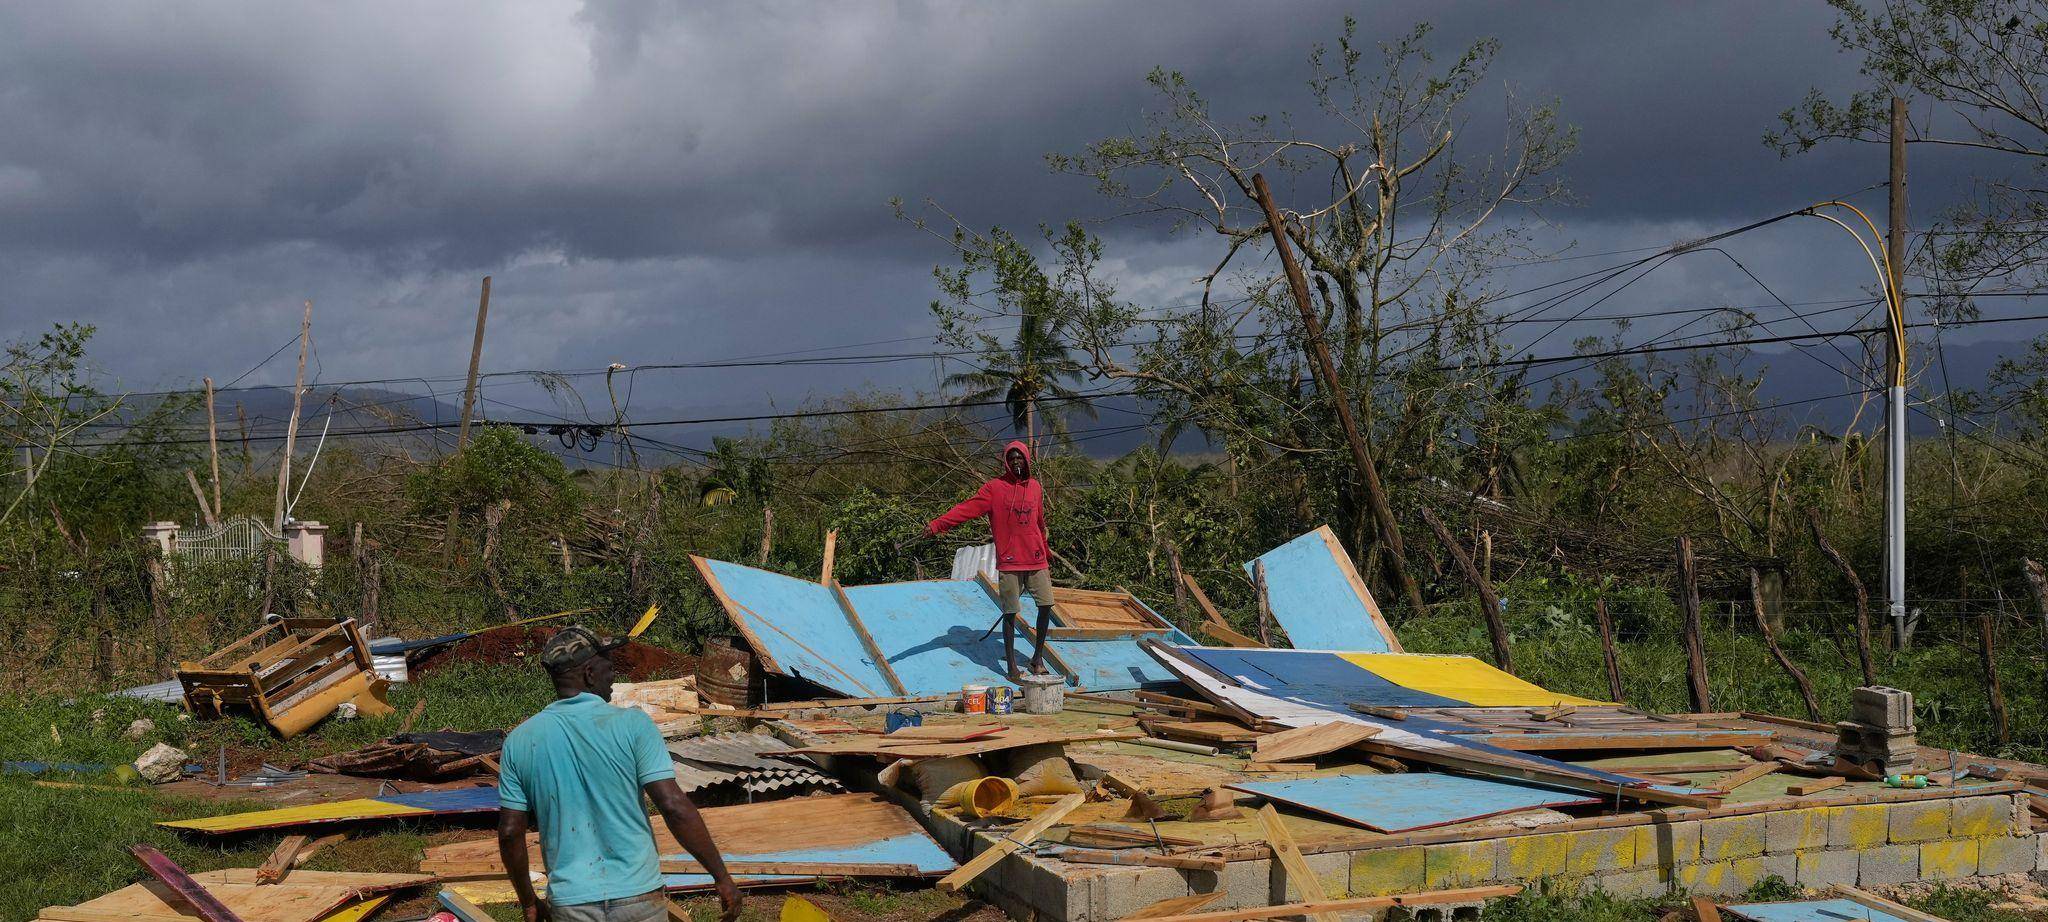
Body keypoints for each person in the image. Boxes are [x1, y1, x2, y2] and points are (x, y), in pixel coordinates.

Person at [497, 626, 741, 922]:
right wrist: (721, 876)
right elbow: (673, 806)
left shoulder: (520, 741)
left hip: (572, 902)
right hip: (638, 896)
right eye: (609, 666)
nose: (613, 675)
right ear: (589, 674)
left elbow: (510, 832)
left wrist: (528, 900)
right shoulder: (633, 725)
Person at [926, 439, 1054, 679]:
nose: (1016, 461)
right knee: (1010, 612)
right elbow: (965, 509)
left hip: (1036, 559)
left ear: (1027, 460)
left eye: (1020, 457)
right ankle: (1011, 666)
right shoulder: (994, 489)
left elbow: (1039, 523)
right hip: (1010, 560)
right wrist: (936, 526)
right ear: (1006, 462)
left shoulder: (1035, 487)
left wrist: (1045, 551)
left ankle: (1037, 658)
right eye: (1011, 458)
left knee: (1046, 605)